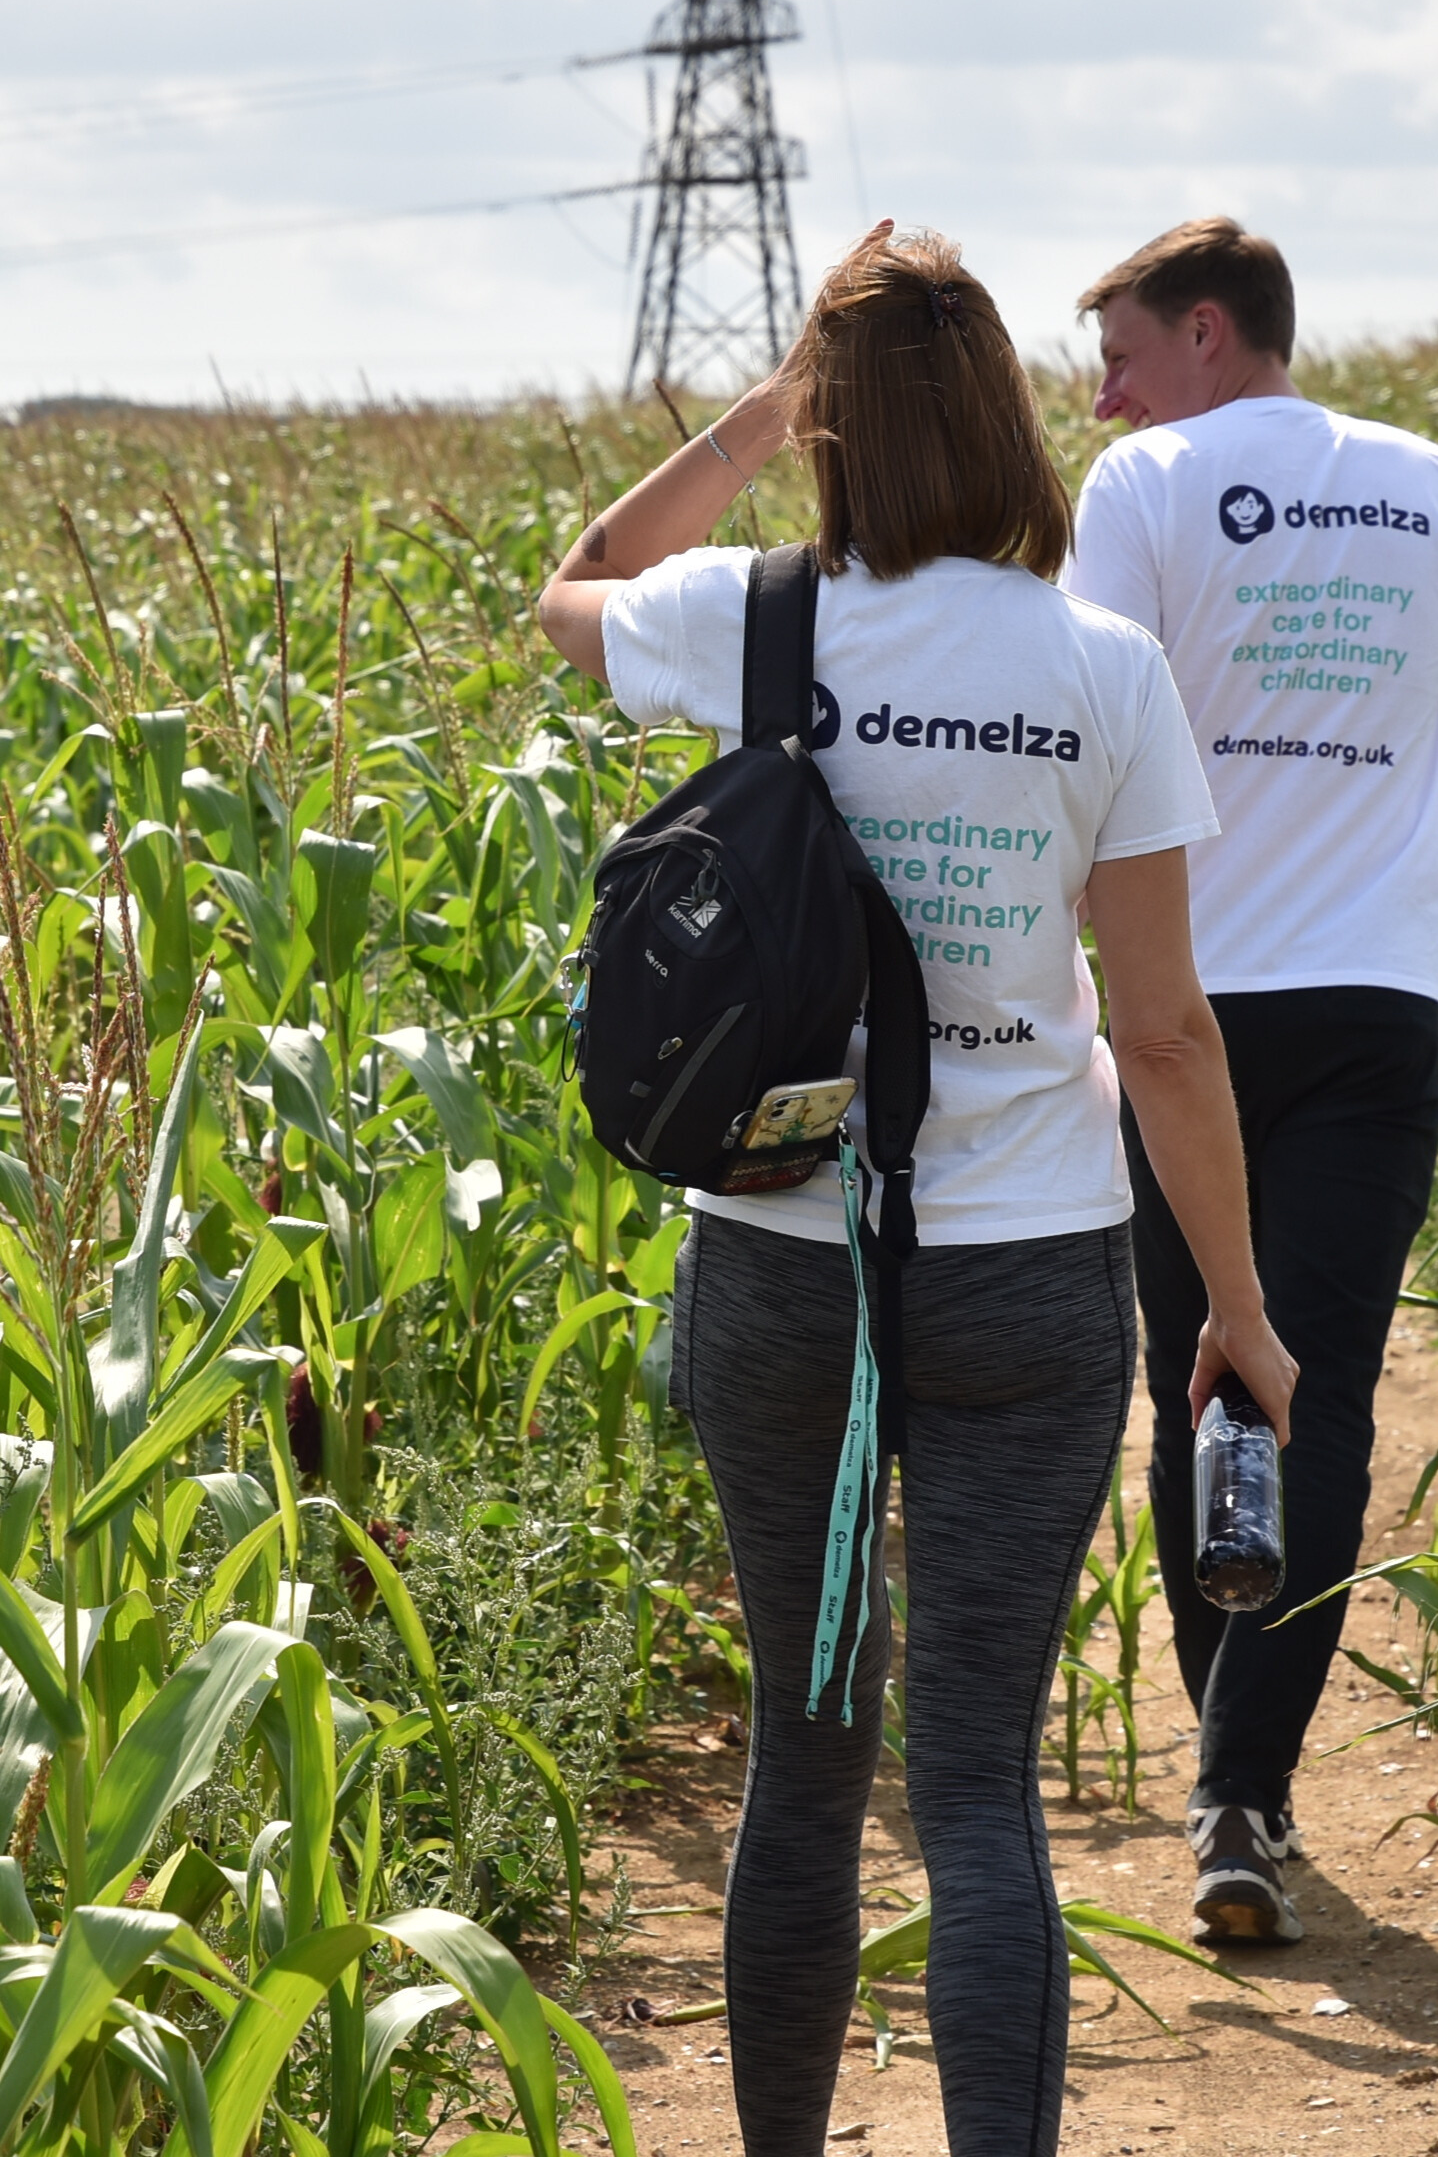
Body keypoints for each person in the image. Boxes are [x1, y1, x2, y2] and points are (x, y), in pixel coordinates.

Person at [535, 224, 1294, 2157]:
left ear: (835, 430)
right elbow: (1169, 1035)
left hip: (779, 1268)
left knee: (804, 1771)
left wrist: (751, 418)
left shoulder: (752, 617)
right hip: (1025, 1279)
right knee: (972, 1785)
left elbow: (571, 585)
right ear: (1009, 425)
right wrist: (1234, 1308)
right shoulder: (1097, 671)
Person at [1066, 216, 1438, 1942]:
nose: (1101, 395)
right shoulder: (1423, 486)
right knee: (1323, 1387)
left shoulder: (1142, 495)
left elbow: (1086, 730)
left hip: (1181, 1010)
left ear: (1207, 333)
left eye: (1122, 354)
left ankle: (1230, 1782)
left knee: (1199, 1372)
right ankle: (1246, 1786)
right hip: (1379, 997)